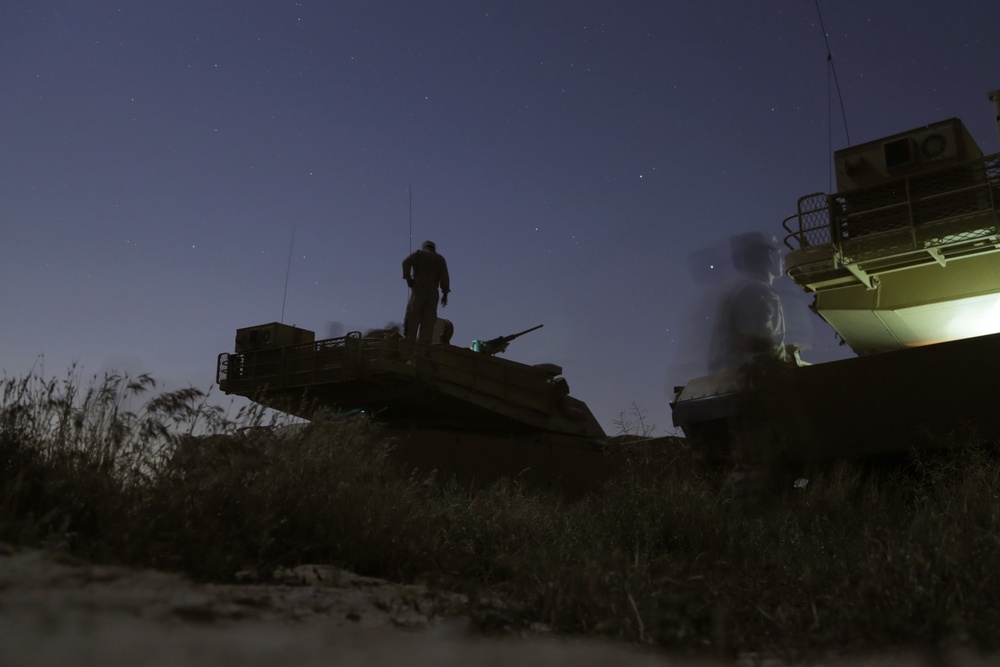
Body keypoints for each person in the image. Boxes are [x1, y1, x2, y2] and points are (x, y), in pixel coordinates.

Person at [402, 240, 450, 343]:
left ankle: (409, 345)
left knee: (413, 317)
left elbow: (405, 262)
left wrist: (408, 278)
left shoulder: (419, 253)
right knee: (428, 322)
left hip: (418, 289)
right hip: (433, 292)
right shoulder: (440, 259)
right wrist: (445, 294)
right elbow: (445, 277)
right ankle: (423, 348)